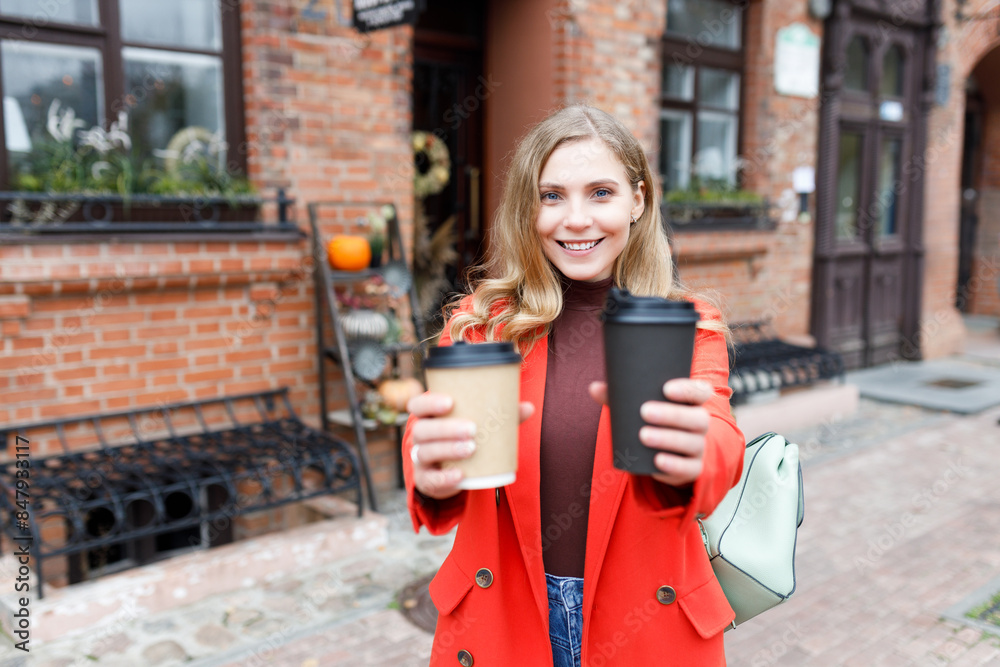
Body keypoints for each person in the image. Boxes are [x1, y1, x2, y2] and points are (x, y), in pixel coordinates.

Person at [403, 105, 745, 666]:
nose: (577, 219)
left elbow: (718, 430)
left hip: (644, 622)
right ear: (528, 208)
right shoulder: (481, 320)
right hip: (505, 619)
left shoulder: (683, 321)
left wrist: (697, 452)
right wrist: (428, 463)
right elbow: (433, 425)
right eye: (552, 195)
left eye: (601, 193)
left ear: (638, 199)